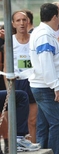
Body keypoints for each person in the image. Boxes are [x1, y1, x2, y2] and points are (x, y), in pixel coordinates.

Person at [29, 3, 59, 154]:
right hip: (47, 87)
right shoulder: (45, 35)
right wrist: (56, 87)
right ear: (54, 17)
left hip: (44, 86)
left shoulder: (44, 33)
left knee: (44, 125)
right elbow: (46, 63)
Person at [11, 11, 37, 143]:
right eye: (18, 20)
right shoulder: (10, 41)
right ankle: (15, 145)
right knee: (16, 118)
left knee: (32, 120)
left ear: (28, 22)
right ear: (13, 24)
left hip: (32, 81)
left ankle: (32, 145)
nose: (21, 23)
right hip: (17, 82)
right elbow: (5, 68)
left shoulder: (34, 39)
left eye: (24, 20)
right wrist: (9, 86)